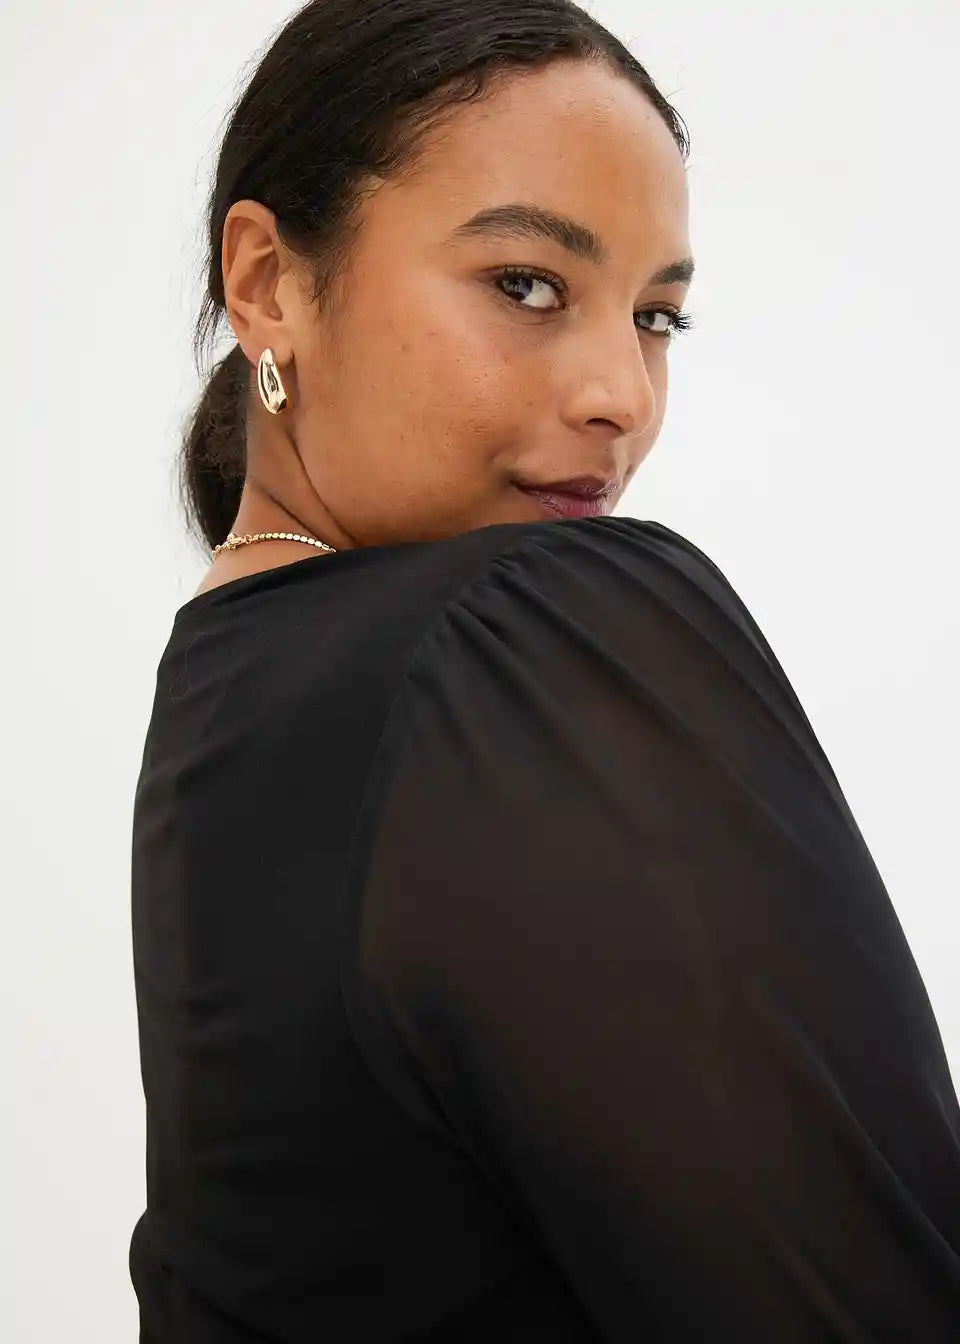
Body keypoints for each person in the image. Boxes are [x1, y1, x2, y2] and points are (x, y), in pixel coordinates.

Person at [127, 0, 960, 1338]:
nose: (623, 394)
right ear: (269, 281)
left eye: (657, 316)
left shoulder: (223, 694)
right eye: (526, 285)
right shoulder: (519, 634)